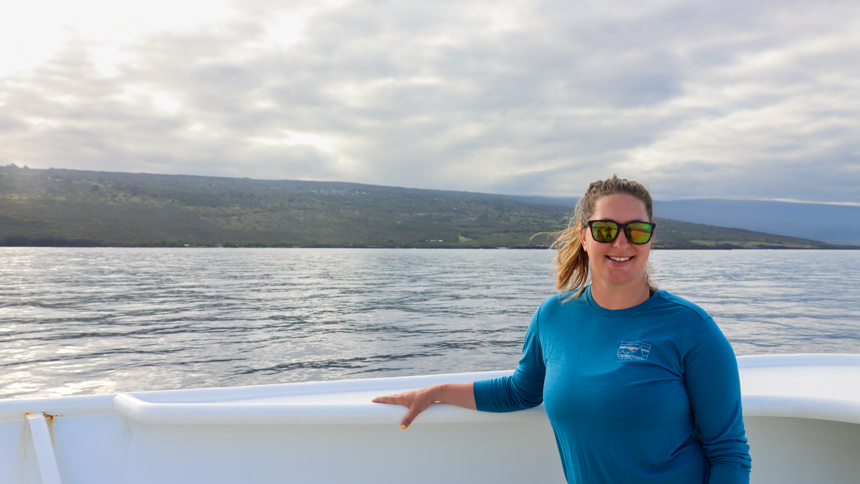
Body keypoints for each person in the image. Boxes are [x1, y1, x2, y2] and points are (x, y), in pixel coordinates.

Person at [373, 175, 751, 483]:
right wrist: (437, 392)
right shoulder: (553, 315)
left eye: (635, 231)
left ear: (650, 238)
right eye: (605, 230)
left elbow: (729, 454)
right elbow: (520, 391)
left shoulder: (691, 328)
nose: (621, 242)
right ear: (585, 237)